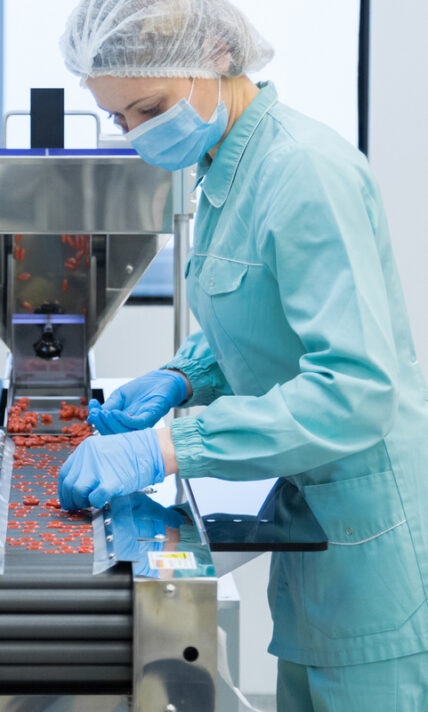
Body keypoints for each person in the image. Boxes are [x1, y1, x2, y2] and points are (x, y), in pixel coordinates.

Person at [55, 1, 428, 710]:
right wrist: (182, 375)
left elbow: (354, 388)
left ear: (219, 53)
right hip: (321, 536)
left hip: (377, 553)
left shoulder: (304, 172)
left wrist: (168, 446)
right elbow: (262, 320)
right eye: (119, 119)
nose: (137, 136)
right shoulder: (230, 170)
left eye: (150, 107)